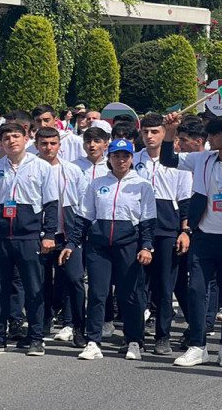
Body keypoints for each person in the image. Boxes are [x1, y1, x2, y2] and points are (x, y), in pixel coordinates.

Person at [159, 115, 222, 368]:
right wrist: (169, 132)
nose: (209, 139)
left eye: (214, 135)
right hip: (204, 237)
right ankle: (197, 345)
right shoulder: (202, 159)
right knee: (196, 292)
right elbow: (168, 159)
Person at [0, 122, 59, 355]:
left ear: (25, 139)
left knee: (33, 289)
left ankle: (36, 337)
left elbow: (51, 203)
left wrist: (48, 234)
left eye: (16, 136)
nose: (12, 141)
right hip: (0, 236)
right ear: (0, 143)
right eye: (7, 138)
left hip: (29, 235)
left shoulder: (41, 167)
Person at [65, 138, 155, 361]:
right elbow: (84, 215)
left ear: (131, 158)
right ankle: (93, 341)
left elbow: (148, 220)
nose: (121, 160)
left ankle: (134, 340)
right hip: (99, 246)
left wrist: (146, 246)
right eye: (116, 155)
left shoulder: (142, 185)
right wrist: (72, 242)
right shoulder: (96, 183)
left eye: (125, 156)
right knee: (97, 293)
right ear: (109, 157)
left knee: (130, 294)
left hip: (128, 244)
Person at [131, 113, 191, 355]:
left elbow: (186, 200)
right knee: (136, 286)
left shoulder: (179, 163)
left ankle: (163, 336)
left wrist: (185, 231)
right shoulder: (133, 160)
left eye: (154, 132)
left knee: (165, 286)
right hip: (137, 228)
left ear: (164, 134)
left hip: (167, 229)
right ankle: (134, 336)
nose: (149, 136)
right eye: (145, 132)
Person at [33, 127, 88, 348]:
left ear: (59, 145)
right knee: (40, 282)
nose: (48, 148)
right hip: (37, 235)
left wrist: (76, 237)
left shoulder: (72, 170)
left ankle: (77, 327)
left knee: (75, 280)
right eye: (44, 144)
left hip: (67, 235)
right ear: (36, 144)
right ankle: (43, 321)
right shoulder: (29, 168)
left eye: (53, 143)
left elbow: (83, 205)